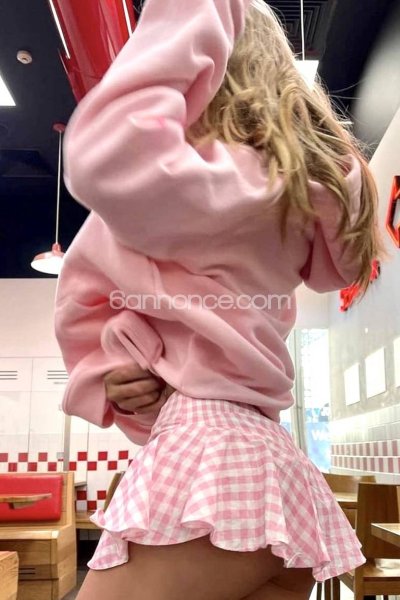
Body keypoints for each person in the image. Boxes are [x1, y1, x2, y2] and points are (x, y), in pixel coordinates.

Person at [54, 0, 386, 598]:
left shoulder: (174, 191)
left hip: (208, 456)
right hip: (269, 464)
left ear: (202, 61)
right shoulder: (294, 193)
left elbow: (107, 159)